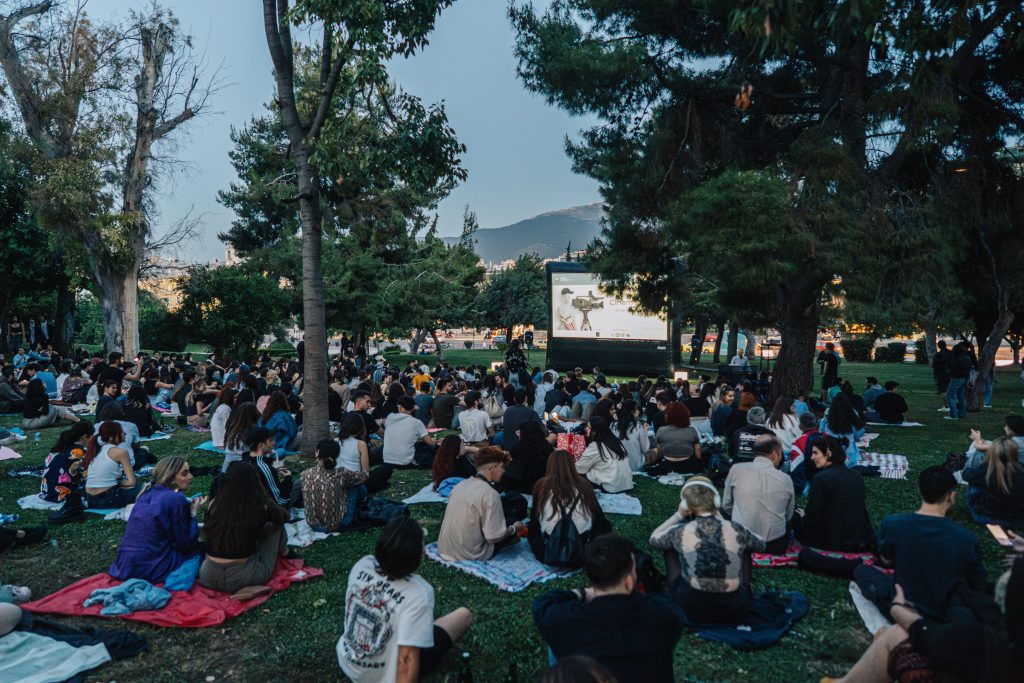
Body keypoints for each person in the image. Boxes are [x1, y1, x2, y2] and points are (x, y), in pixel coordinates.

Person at [533, 534, 686, 683]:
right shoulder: (664, 615)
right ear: (629, 578)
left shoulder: (562, 619)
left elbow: (543, 603)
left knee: (555, 639)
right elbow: (673, 609)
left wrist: (583, 592)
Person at [337, 517, 474, 682]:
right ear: (419, 555)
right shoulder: (418, 593)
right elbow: (407, 660)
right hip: (380, 676)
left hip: (349, 662)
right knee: (463, 616)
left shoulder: (362, 564)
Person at [859, 466, 986, 620]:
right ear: (951, 496)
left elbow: (887, 560)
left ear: (920, 491)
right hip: (945, 609)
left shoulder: (893, 524)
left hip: (904, 604)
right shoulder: (966, 538)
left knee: (862, 571)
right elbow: (976, 582)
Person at [649, 477, 764, 624]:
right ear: (716, 501)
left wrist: (678, 515)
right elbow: (761, 545)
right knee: (745, 545)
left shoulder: (679, 531)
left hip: (690, 607)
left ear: (686, 506)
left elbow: (654, 538)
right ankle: (747, 591)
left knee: (668, 547)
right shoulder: (736, 529)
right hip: (734, 609)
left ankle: (672, 589)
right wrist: (722, 517)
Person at [108, 456, 205, 583]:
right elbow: (185, 542)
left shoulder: (145, 494)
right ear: (171, 477)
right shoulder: (175, 499)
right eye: (184, 474)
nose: (190, 477)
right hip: (152, 566)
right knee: (203, 553)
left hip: (125, 564)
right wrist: (193, 514)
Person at [199, 461, 290, 594]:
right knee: (275, 525)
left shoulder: (214, 504)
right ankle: (286, 553)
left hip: (208, 576)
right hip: (244, 578)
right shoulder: (259, 506)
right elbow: (283, 517)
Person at [437, 447, 524, 561]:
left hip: (445, 548)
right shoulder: (490, 494)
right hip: (470, 554)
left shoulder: (460, 485)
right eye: (502, 467)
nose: (504, 471)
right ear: (492, 468)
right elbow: (493, 536)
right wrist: (513, 528)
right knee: (512, 521)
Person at [528, 450, 612, 565]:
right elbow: (599, 519)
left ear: (550, 465)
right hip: (582, 549)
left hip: (547, 549)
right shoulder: (584, 485)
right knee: (603, 524)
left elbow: (534, 520)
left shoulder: (541, 486)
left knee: (533, 527)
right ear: (572, 466)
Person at [793, 436, 875, 551]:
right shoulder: (856, 476)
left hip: (828, 540)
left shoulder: (820, 478)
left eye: (815, 453)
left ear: (828, 453)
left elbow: (813, 515)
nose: (812, 457)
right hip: (855, 539)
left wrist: (803, 516)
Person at [722, 436, 795, 554]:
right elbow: (788, 516)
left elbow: (726, 505)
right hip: (775, 546)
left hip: (741, 542)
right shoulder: (786, 479)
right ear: (775, 454)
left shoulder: (736, 469)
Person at [301, 439, 368, 532]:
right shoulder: (341, 474)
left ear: (317, 453)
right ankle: (362, 503)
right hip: (339, 524)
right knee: (354, 484)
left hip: (314, 525)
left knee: (349, 482)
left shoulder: (305, 474)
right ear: (336, 455)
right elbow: (364, 476)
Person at [962, 436, 1024, 528]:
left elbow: (966, 475)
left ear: (992, 452)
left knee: (974, 482)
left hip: (987, 518)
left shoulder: (986, 469)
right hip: (1018, 520)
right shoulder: (1021, 469)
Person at [83, 421, 140, 509]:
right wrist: (118, 482)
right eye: (121, 432)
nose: (125, 433)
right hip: (109, 498)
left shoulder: (96, 450)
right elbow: (131, 482)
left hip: (90, 499)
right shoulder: (120, 452)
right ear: (110, 437)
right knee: (147, 488)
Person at [39, 420, 93, 505]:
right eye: (92, 437)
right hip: (63, 495)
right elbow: (87, 477)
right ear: (85, 436)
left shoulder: (61, 447)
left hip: (48, 492)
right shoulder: (81, 452)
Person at [576, 416, 633, 493]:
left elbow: (579, 469)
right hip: (626, 485)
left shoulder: (596, 446)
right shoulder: (616, 442)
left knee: (573, 475)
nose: (586, 429)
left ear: (595, 431)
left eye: (589, 427)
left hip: (611, 486)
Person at [644, 402, 702, 475]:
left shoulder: (661, 430)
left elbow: (659, 453)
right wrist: (698, 461)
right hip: (688, 465)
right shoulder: (691, 430)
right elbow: (698, 449)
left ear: (668, 416)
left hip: (668, 465)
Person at [240, 426, 293, 507]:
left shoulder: (243, 462)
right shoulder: (263, 467)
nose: (274, 443)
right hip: (266, 513)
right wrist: (288, 478)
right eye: (270, 440)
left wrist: (273, 471)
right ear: (261, 445)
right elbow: (279, 501)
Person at [501, 420, 554, 494]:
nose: (518, 435)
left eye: (519, 432)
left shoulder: (518, 448)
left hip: (522, 489)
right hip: (544, 487)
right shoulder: (548, 447)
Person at [382, 396, 435, 468]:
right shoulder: (417, 422)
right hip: (405, 462)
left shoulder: (390, 417)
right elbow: (430, 442)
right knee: (427, 449)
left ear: (399, 407)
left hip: (387, 460)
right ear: (413, 409)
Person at [818, 393, 866, 466]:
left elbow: (820, 432)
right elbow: (858, 433)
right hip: (850, 458)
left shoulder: (827, 416)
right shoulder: (852, 414)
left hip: (830, 456)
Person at [221, 401, 261, 473]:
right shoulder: (253, 431)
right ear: (254, 414)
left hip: (228, 462)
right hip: (245, 463)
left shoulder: (232, 427)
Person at [611, 399, 649, 471]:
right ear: (632, 412)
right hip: (636, 466)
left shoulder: (613, 426)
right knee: (655, 452)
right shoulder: (637, 426)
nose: (638, 411)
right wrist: (645, 432)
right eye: (636, 409)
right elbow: (646, 449)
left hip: (617, 465)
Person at [258, 390, 299, 456]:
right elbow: (293, 431)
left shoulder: (264, 415)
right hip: (277, 448)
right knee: (300, 436)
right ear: (284, 401)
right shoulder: (284, 415)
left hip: (263, 446)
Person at [945, 341, 972, 420]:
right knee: (961, 396)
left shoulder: (957, 359)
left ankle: (954, 414)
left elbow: (954, 370)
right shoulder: (967, 357)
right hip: (964, 378)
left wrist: (949, 373)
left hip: (956, 378)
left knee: (950, 395)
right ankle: (962, 414)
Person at [933, 339, 953, 412]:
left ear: (939, 346)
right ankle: (952, 405)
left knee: (943, 391)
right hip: (951, 374)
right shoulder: (951, 353)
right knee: (951, 390)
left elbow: (935, 366)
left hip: (941, 375)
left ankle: (947, 406)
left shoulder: (937, 355)